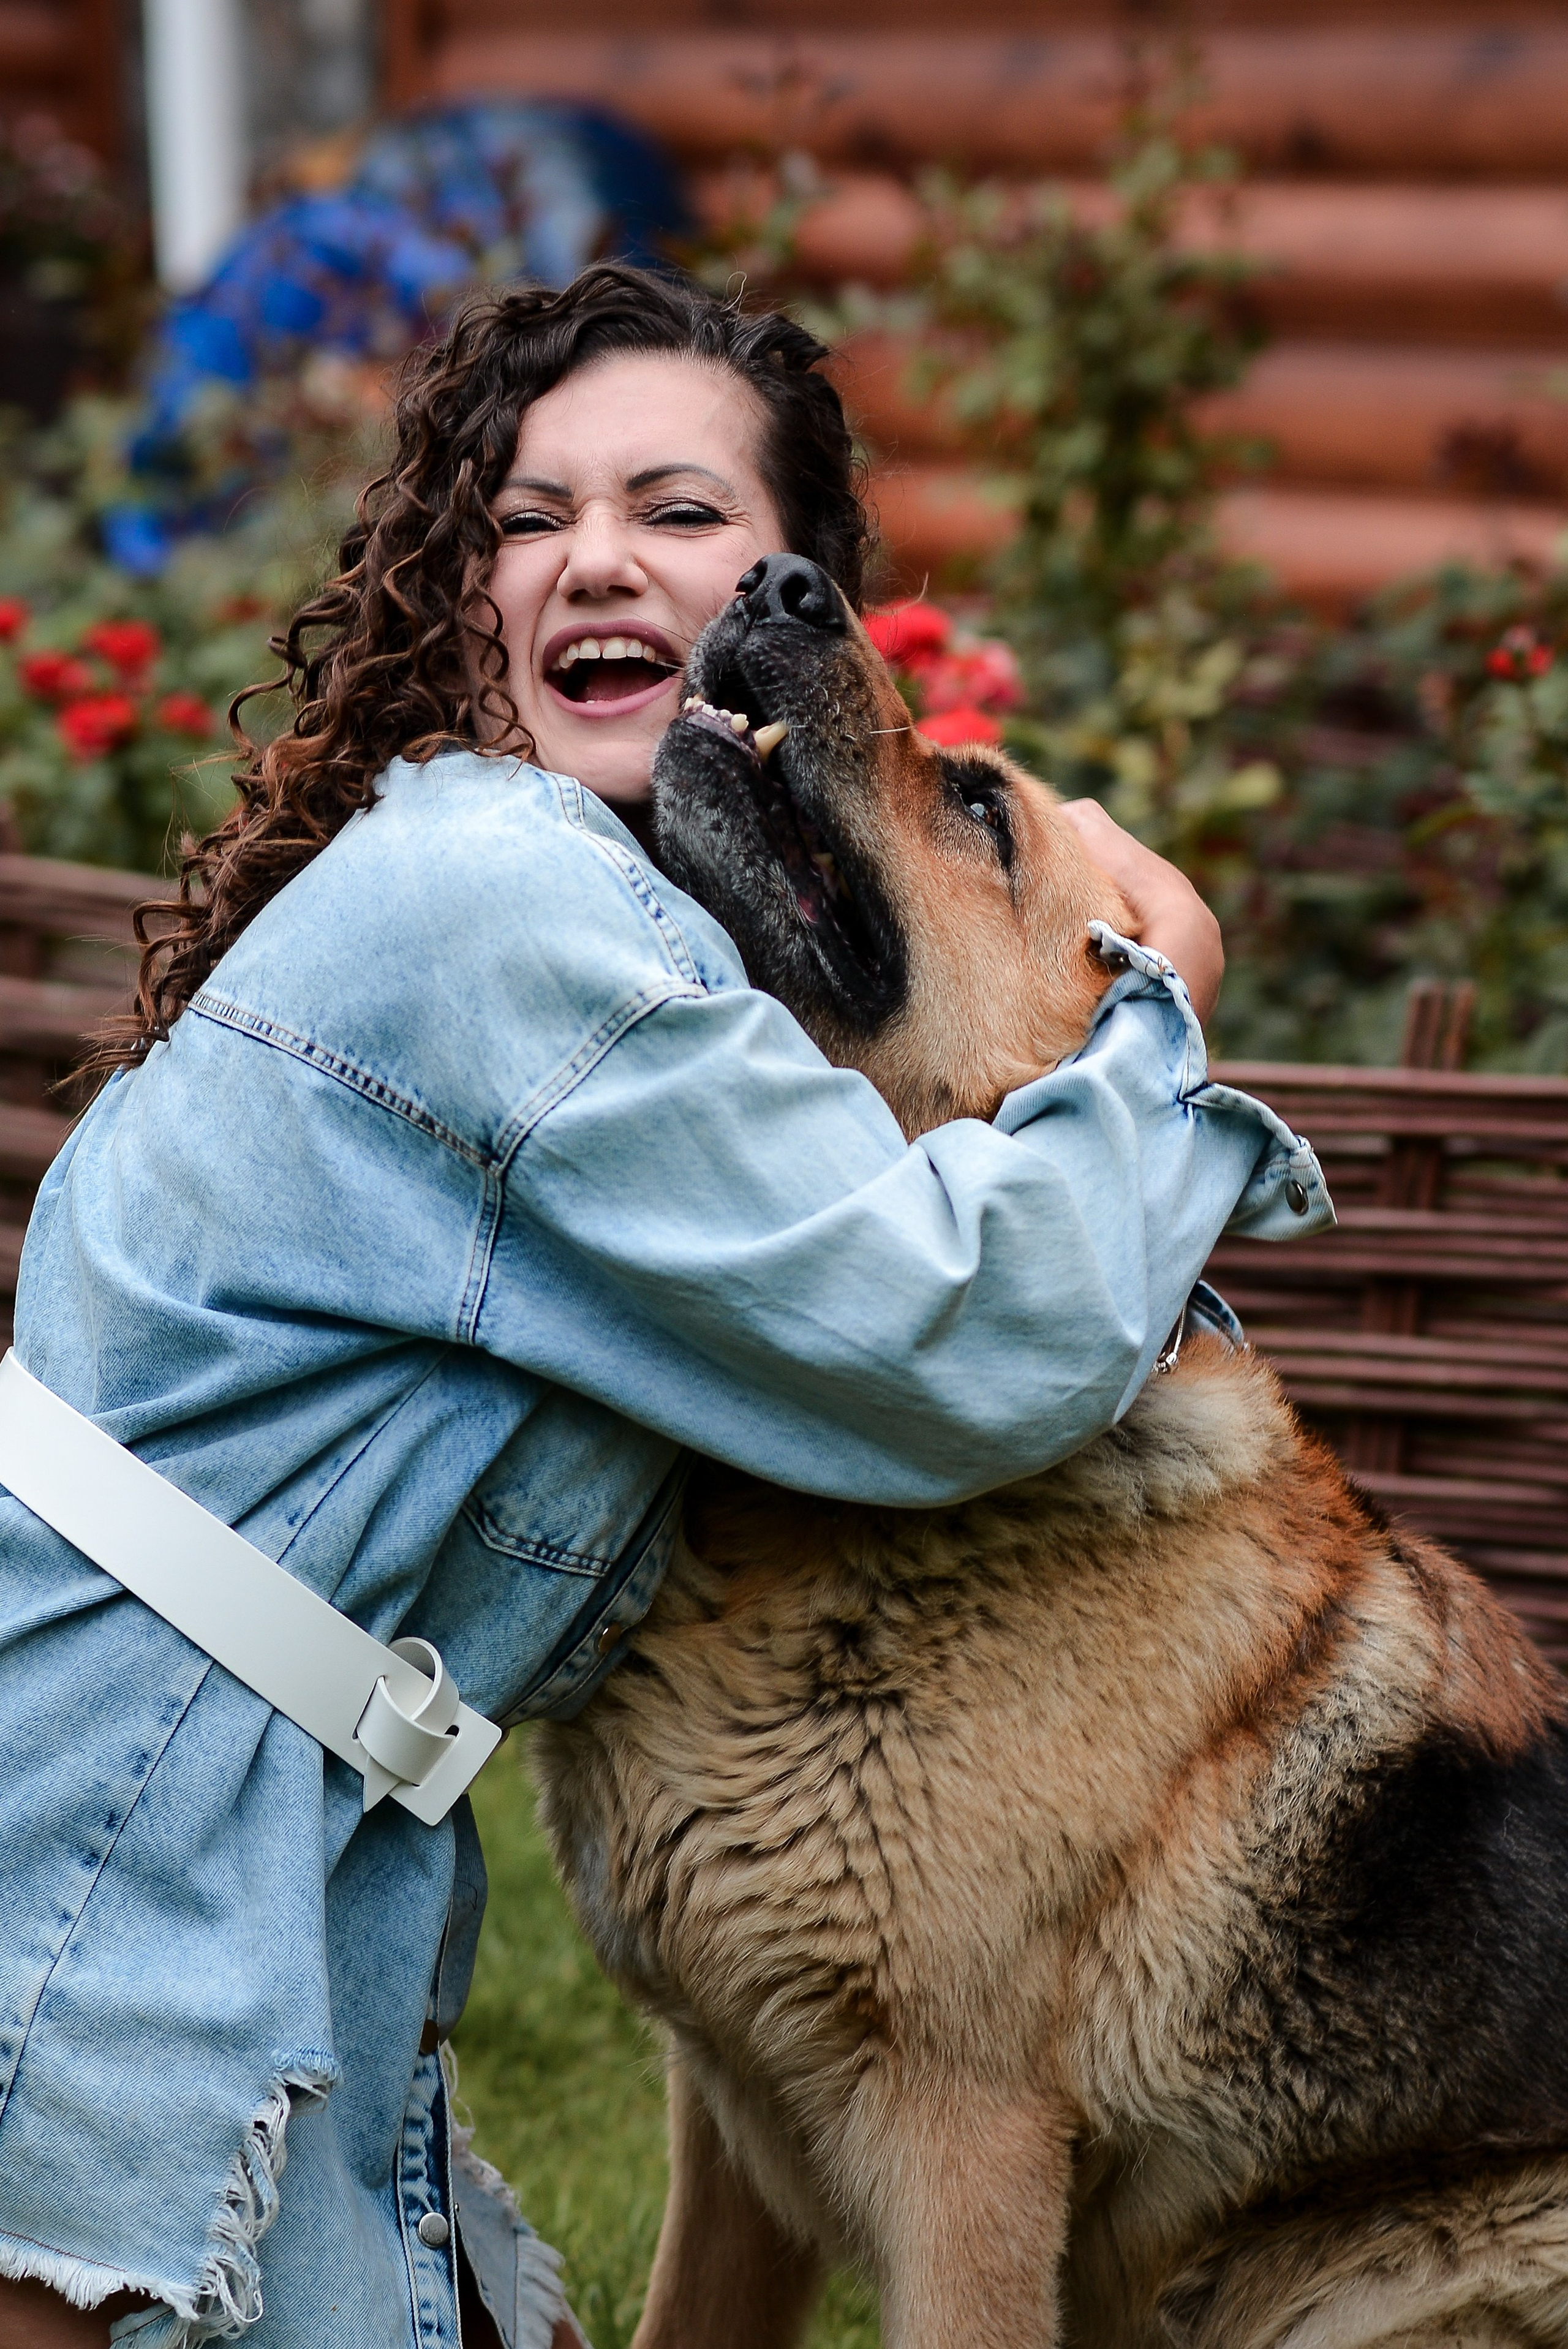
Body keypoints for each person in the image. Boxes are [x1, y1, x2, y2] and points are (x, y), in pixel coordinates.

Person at [0, 263, 1329, 2349]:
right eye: (531, 517)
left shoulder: (618, 935)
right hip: (97, 1838)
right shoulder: (509, 910)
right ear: (464, 599)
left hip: (214, 1820)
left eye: (683, 512)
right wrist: (1162, 1012)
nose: (597, 555)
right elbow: (964, 1339)